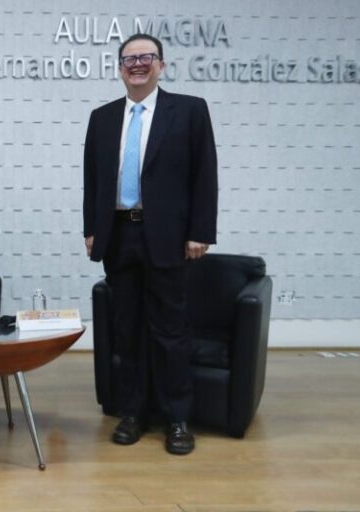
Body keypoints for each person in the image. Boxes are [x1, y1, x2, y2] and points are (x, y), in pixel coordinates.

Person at [83, 34, 218, 455]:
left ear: (160, 64)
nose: (137, 64)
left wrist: (200, 231)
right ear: (120, 67)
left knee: (170, 330)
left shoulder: (190, 111)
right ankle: (133, 412)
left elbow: (205, 175)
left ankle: (178, 418)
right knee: (127, 331)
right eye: (129, 59)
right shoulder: (102, 117)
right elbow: (93, 180)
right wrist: (92, 228)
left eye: (146, 57)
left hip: (168, 238)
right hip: (120, 235)